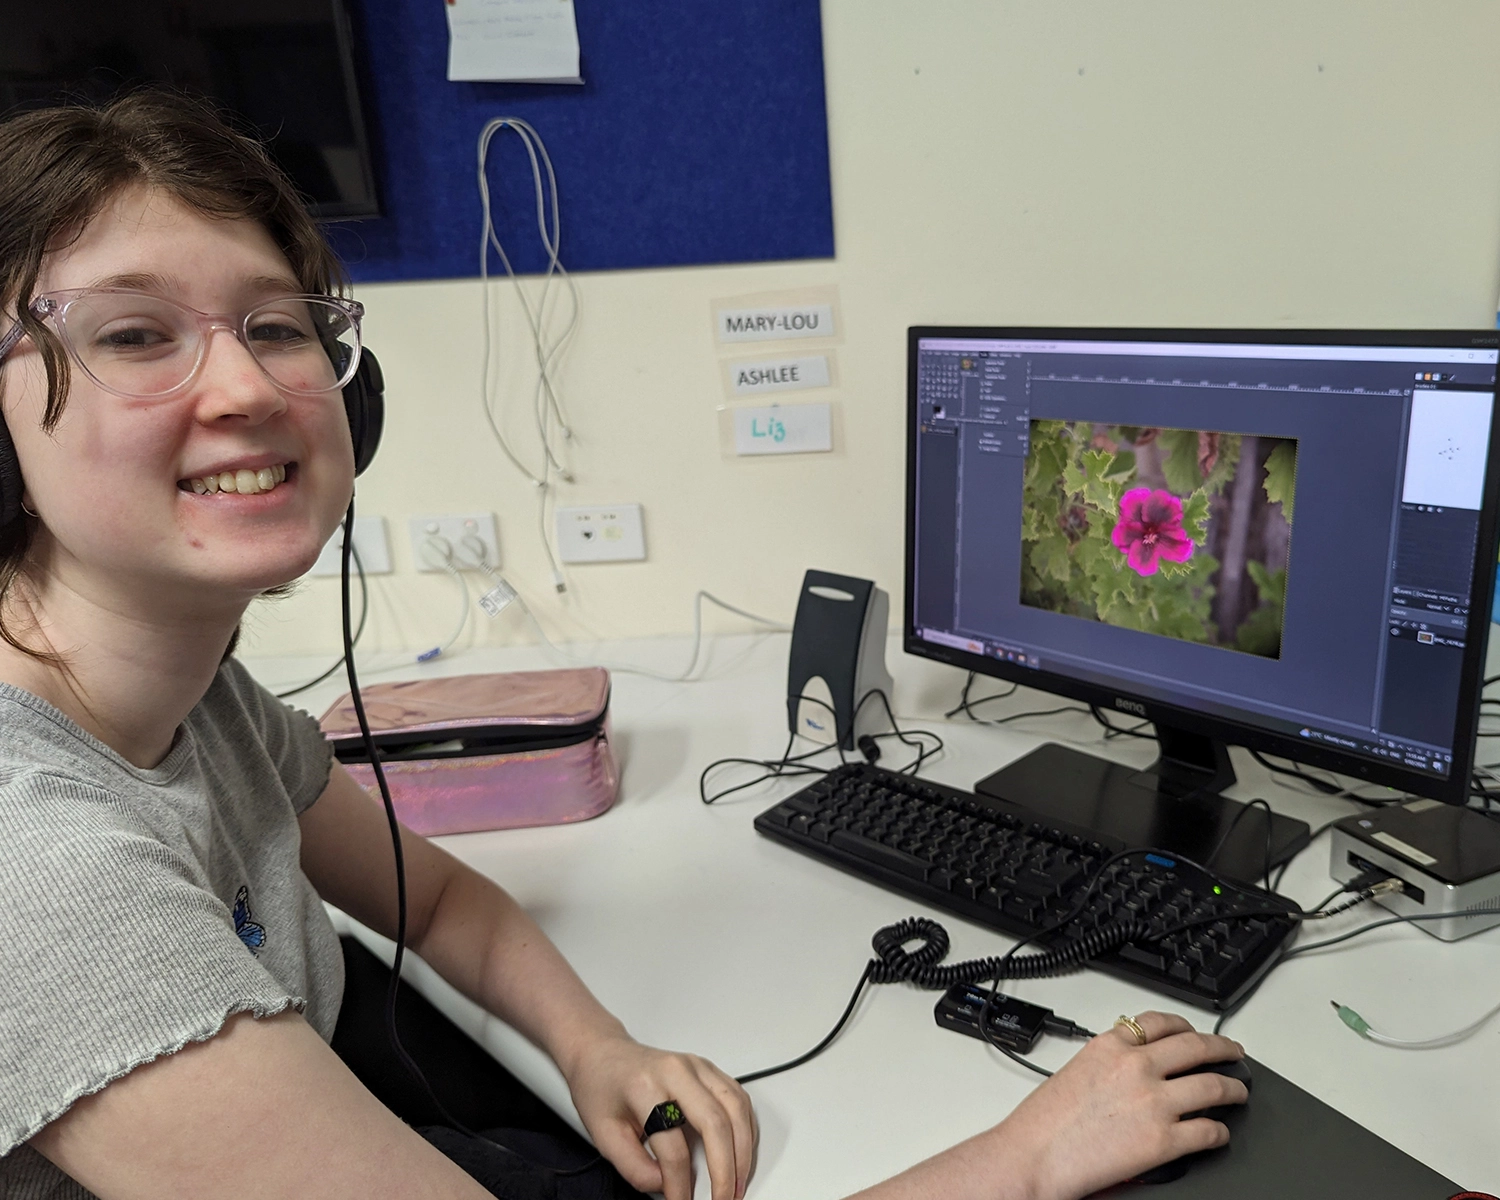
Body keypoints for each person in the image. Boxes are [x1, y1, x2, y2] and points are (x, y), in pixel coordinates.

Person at [0, 90, 1247, 1200]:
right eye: (133, 335)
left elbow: (431, 895)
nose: (248, 389)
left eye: (276, 326)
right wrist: (1022, 1160)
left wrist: (597, 1044)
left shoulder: (194, 694)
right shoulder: (46, 878)